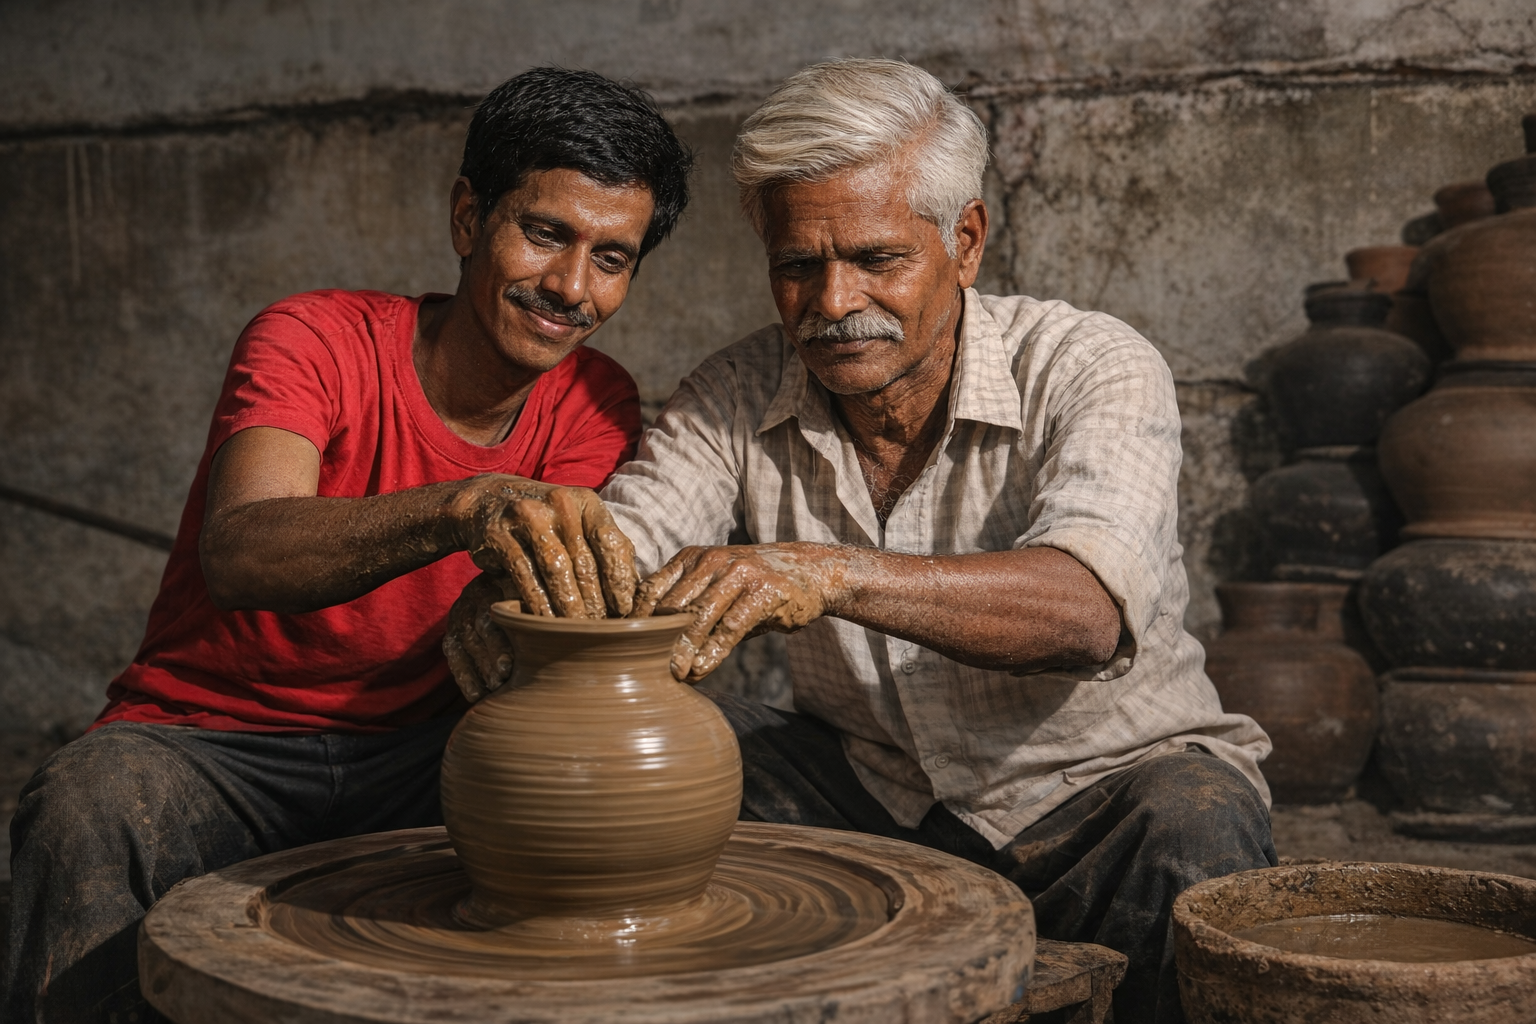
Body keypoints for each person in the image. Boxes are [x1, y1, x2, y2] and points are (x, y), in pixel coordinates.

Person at [447, 59, 1276, 1024]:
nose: (833, 302)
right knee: (643, 775)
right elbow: (629, 542)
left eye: (877, 259)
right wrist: (532, 595)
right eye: (797, 266)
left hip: (1101, 795)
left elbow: (1084, 611)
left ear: (964, 242)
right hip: (871, 790)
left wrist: (829, 573)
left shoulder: (1090, 365)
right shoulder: (733, 393)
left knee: (1192, 828)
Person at [3, 67, 692, 1023]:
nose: (571, 287)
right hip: (214, 742)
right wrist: (463, 505)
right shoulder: (314, 339)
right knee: (84, 805)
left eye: (611, 259)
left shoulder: (595, 402)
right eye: (544, 234)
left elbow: (534, 618)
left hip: (418, 753)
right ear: (467, 219)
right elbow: (242, 551)